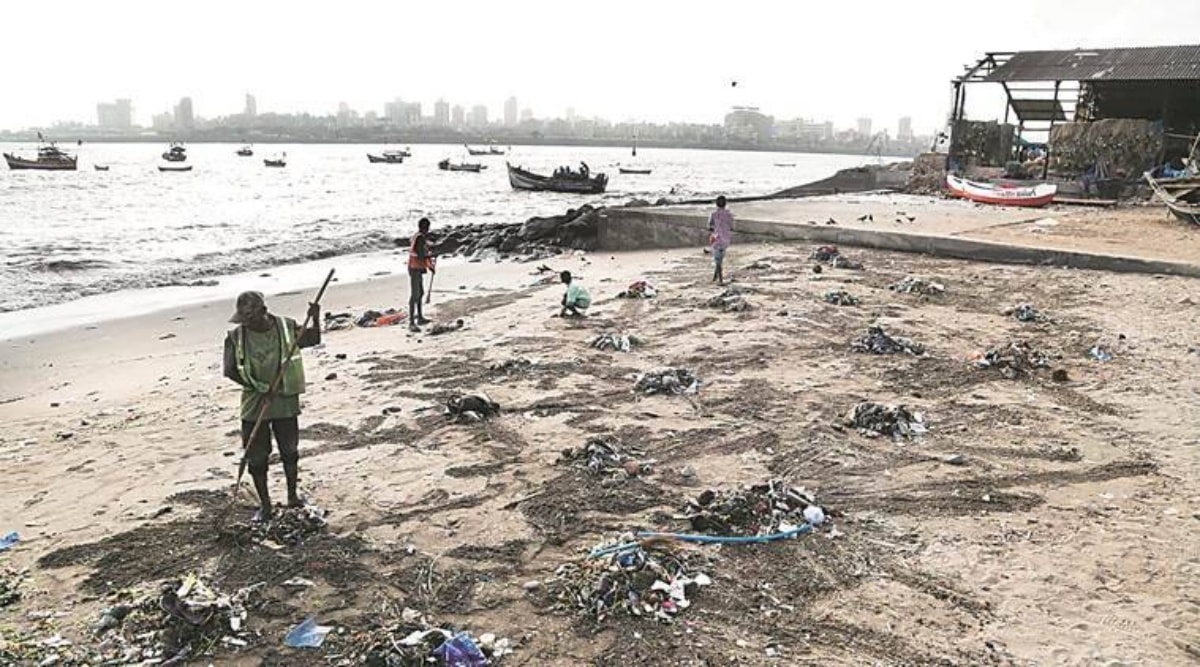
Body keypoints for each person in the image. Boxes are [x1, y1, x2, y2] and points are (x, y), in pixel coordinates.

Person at [223, 291, 321, 521]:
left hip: (284, 400)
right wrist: (259, 386)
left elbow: (312, 339)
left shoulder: (286, 327)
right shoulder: (235, 337)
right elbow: (230, 371)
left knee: (290, 451)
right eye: (243, 319)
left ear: (263, 312)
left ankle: (292, 496)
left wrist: (315, 318)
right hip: (255, 404)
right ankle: (265, 506)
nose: (246, 324)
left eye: (250, 318)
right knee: (257, 458)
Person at [408, 217, 436, 331]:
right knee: (415, 294)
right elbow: (420, 255)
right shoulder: (419, 238)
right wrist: (431, 257)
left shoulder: (419, 237)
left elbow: (423, 253)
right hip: (414, 268)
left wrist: (430, 266)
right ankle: (411, 321)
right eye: (427, 227)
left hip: (417, 267)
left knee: (420, 293)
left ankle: (419, 317)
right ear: (425, 227)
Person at [708, 195, 734, 285]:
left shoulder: (714, 214)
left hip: (716, 238)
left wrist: (713, 228)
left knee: (717, 260)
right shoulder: (729, 214)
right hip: (726, 239)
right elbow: (731, 226)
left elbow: (710, 226)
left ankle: (720, 279)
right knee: (720, 259)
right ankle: (715, 277)